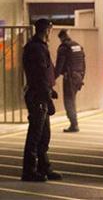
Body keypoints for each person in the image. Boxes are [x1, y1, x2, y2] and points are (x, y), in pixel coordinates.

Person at [21, 19, 62, 182]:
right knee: (36, 136)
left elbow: (43, 74)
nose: (50, 33)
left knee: (44, 135)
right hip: (38, 97)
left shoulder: (38, 47)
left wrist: (50, 91)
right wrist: (48, 98)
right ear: (46, 30)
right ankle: (29, 171)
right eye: (50, 30)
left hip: (41, 95)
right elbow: (39, 76)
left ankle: (44, 168)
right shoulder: (36, 49)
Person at [55, 30, 86, 132]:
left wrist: (52, 78)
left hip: (70, 77)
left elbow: (59, 66)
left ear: (62, 37)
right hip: (78, 76)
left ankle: (74, 124)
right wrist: (82, 78)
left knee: (69, 102)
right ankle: (74, 123)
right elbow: (84, 64)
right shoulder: (78, 46)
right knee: (72, 100)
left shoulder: (64, 48)